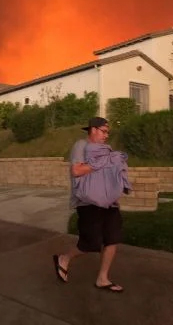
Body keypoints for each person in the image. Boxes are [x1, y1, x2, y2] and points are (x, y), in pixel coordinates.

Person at [53, 117, 124, 293]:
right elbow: (77, 171)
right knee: (91, 242)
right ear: (93, 129)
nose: (107, 135)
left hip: (109, 203)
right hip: (87, 202)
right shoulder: (81, 145)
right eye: (104, 131)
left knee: (112, 238)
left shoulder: (105, 150)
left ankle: (103, 278)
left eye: (108, 132)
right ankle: (64, 258)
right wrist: (103, 162)